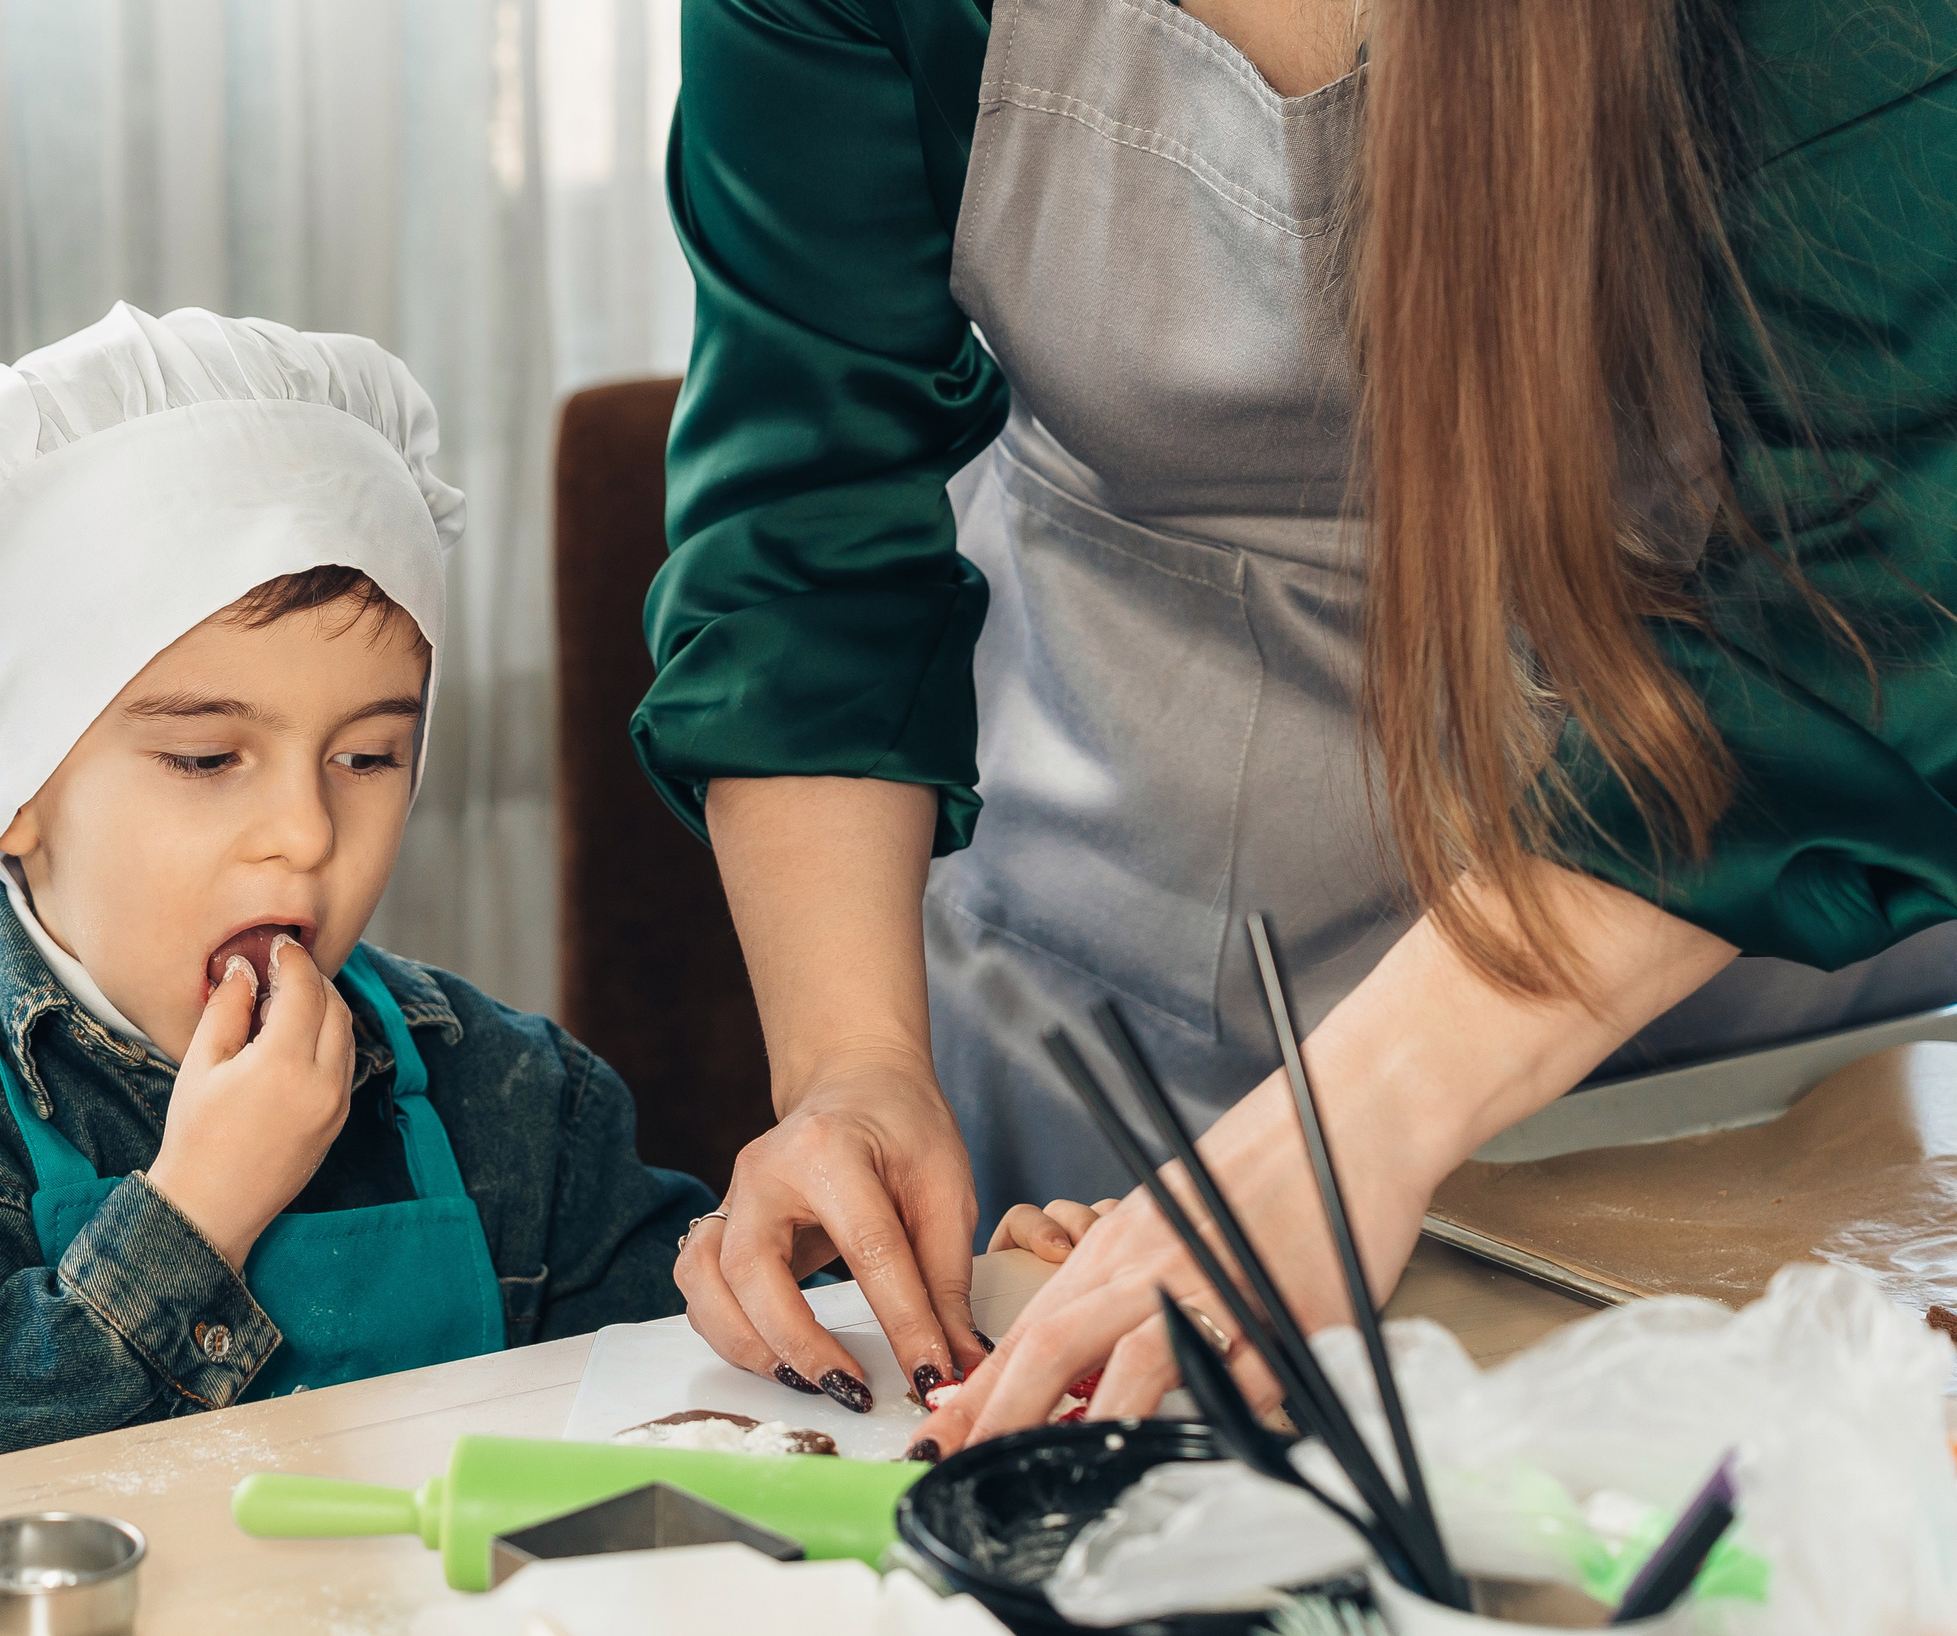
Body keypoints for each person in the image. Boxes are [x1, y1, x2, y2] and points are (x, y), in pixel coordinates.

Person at [635, 0, 1957, 1455]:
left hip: (1720, 999)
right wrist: (853, 1061)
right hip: (1121, 1000)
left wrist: (1365, 1112)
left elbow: (1894, 576)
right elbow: (813, 519)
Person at [0, 304, 710, 1503]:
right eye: (205, 758)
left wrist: (779, 1278)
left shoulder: (514, 1098)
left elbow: (697, 1405)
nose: (306, 832)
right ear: (14, 791)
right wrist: (193, 1217)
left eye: (367, 757)